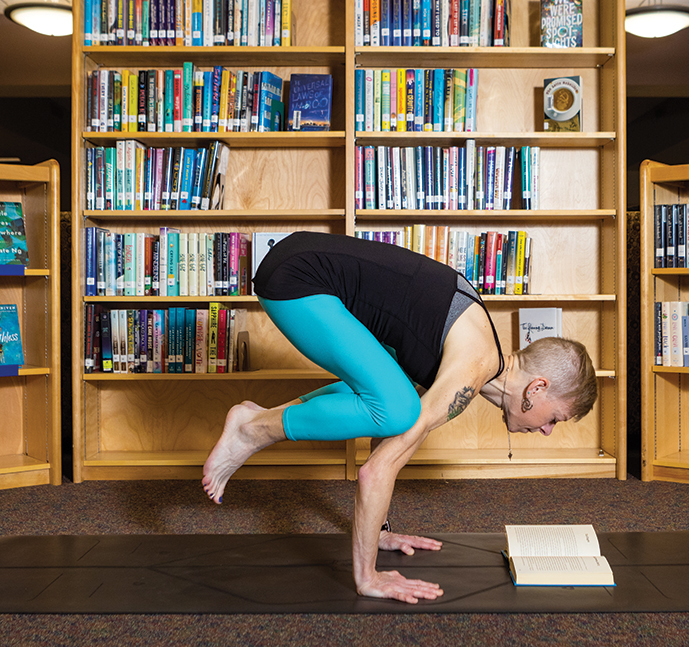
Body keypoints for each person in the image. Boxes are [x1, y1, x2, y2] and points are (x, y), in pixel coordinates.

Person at [202, 231, 598, 604]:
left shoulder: (473, 355)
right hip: (299, 278)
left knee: (396, 404)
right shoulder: (472, 367)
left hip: (298, 265)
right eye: (555, 419)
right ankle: (252, 430)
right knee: (399, 410)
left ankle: (252, 421)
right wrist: (368, 576)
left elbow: (389, 439)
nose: (546, 431)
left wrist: (380, 533)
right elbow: (376, 469)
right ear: (537, 388)